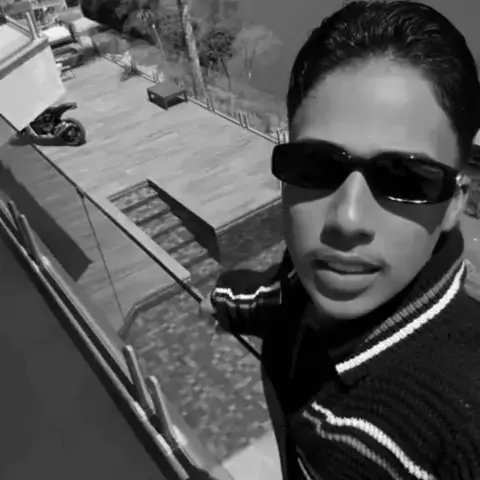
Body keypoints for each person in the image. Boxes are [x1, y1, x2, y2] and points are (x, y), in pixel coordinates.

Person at [199, 1, 480, 479]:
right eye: (316, 166)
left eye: (406, 178)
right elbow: (272, 298)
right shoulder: (300, 286)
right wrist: (219, 300)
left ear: (455, 202)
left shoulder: (461, 428)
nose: (347, 219)